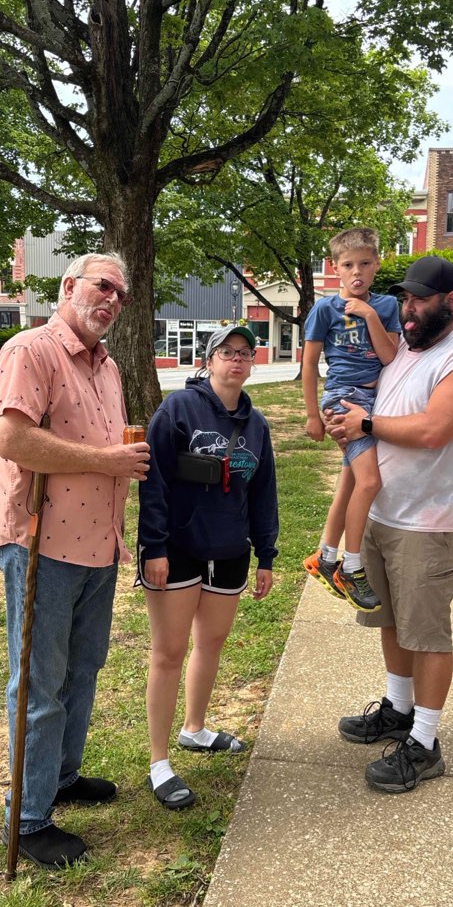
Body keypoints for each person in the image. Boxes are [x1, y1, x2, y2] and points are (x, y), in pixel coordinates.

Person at [0, 253, 150, 868]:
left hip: (98, 543)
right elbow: (12, 438)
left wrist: (121, 461)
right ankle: (28, 821)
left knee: (82, 671)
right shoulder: (31, 350)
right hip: (41, 543)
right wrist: (105, 461)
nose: (111, 299)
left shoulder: (108, 366)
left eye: (122, 294)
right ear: (68, 286)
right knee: (39, 685)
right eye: (102, 285)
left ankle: (59, 778)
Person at [326, 255, 453, 793]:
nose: (410, 308)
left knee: (426, 635)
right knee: (389, 622)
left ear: (450, 301)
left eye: (420, 299)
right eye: (406, 298)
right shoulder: (411, 344)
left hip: (427, 524)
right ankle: (399, 710)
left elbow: (433, 430)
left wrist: (366, 422)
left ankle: (425, 743)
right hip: (382, 510)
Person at [136, 324, 278, 811]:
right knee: (169, 651)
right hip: (176, 549)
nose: (236, 360)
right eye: (227, 352)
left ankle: (194, 729)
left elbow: (262, 493)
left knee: (211, 644)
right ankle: (159, 762)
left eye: (245, 353)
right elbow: (153, 480)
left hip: (231, 551)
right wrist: (153, 546)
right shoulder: (179, 408)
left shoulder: (256, 425)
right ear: (209, 359)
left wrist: (266, 554)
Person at [302, 228, 401, 611]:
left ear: (376, 265)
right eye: (347, 265)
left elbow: (390, 356)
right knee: (370, 481)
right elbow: (310, 363)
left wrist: (368, 314)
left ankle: (326, 558)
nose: (356, 271)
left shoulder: (387, 305)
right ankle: (352, 567)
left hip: (375, 403)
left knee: (349, 482)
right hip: (343, 401)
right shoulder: (324, 309)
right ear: (335, 268)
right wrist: (313, 414)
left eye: (364, 263)